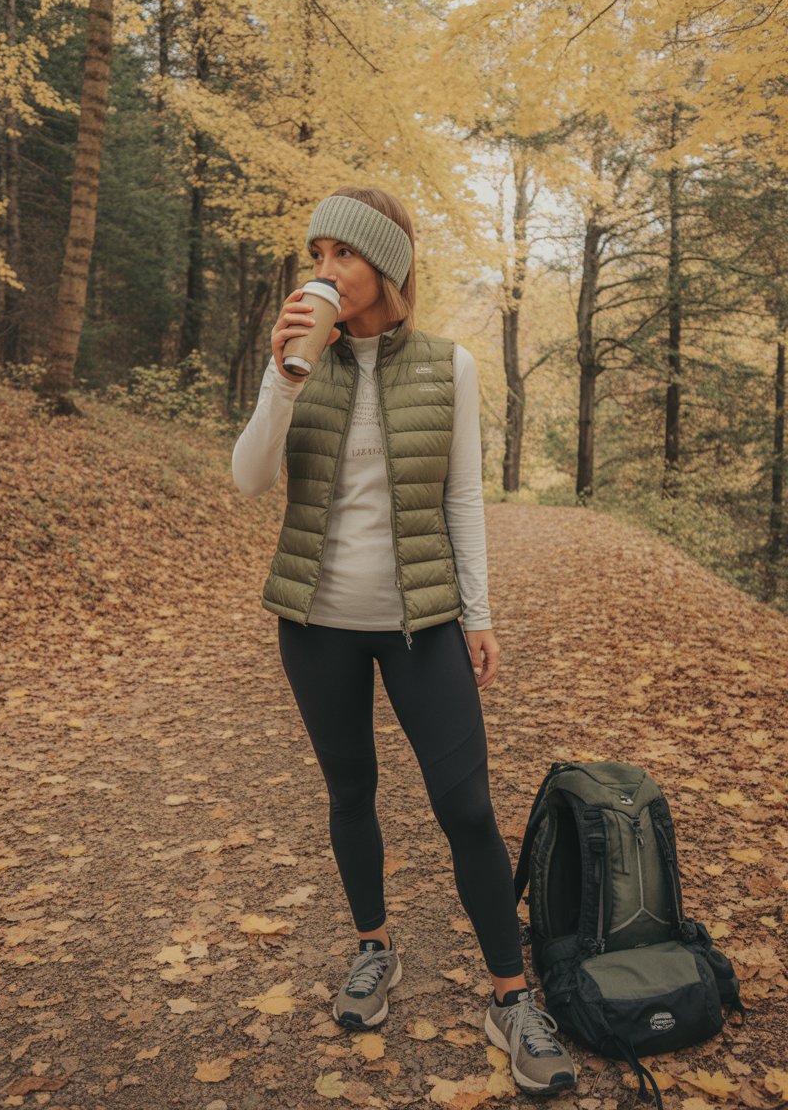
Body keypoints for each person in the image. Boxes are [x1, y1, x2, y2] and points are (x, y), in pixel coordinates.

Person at [231, 187, 576, 1096]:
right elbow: (247, 479)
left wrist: (481, 614)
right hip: (316, 624)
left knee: (465, 806)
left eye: (343, 254)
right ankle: (374, 947)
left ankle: (510, 996)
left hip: (423, 624)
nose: (325, 270)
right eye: (317, 253)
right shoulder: (300, 361)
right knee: (353, 792)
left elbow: (462, 499)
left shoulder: (448, 366)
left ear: (387, 266)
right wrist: (281, 379)